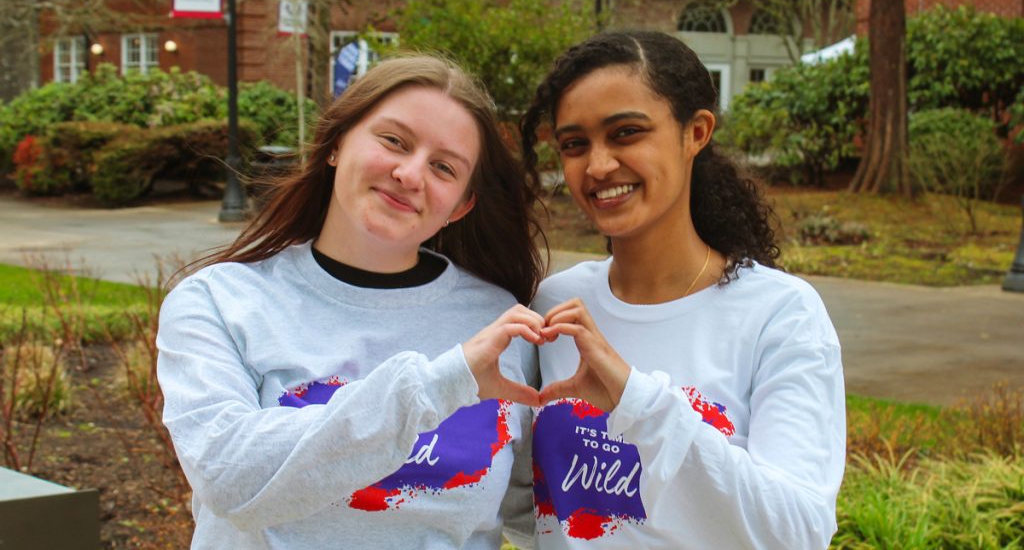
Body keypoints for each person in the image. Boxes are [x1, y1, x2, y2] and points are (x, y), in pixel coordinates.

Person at [157, 54, 548, 549]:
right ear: (337, 143)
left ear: (462, 205)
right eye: (393, 141)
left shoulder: (499, 324)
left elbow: (536, 514)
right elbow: (230, 477)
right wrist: (441, 383)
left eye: (444, 167)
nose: (410, 173)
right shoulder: (218, 302)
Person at [519, 31, 846, 548]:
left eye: (626, 132)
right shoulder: (554, 307)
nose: (598, 165)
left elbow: (797, 532)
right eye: (574, 144)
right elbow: (522, 497)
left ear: (695, 132)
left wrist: (639, 402)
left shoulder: (780, 314)